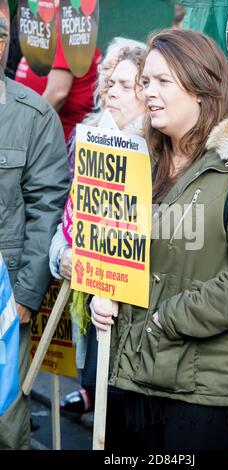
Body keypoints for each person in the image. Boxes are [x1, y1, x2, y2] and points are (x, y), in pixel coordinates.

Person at [90, 29, 228, 450]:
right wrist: (104, 291)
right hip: (133, 373)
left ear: (201, 88)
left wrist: (171, 318)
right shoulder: (139, 164)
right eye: (145, 82)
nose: (149, 93)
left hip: (203, 389)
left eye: (164, 81)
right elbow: (119, 249)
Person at [49, 44, 146, 417]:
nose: (110, 90)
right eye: (110, 81)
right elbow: (69, 221)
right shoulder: (93, 139)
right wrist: (64, 256)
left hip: (137, 334)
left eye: (124, 83)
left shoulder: (161, 155)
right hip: (96, 319)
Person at [0, 16, 69, 449]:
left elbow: (48, 209)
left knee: (6, 424)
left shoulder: (34, 116)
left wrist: (25, 295)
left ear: (4, 44)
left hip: (3, 299)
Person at [15, 5, 101, 142]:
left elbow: (57, 92)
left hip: (52, 141)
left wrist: (20, 130)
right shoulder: (40, 13)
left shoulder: (64, 18)